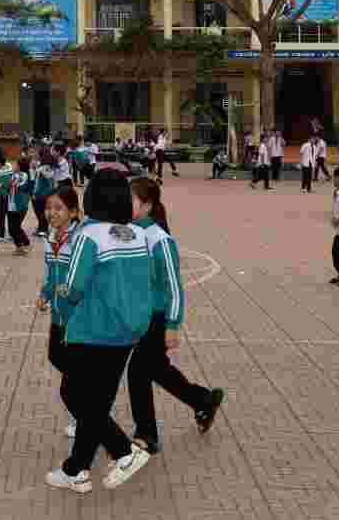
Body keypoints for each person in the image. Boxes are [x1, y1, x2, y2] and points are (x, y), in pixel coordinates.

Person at [47, 170, 163, 494]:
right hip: (129, 331)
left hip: (95, 329)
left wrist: (61, 294)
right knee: (96, 400)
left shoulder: (89, 235)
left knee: (76, 395)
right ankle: (76, 468)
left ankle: (125, 451)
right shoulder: (137, 234)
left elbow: (74, 286)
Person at [124, 178, 224, 452]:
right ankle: (203, 400)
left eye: (130, 199)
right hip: (136, 317)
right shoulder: (126, 233)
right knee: (157, 369)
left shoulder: (161, 240)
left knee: (138, 372)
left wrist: (173, 324)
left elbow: (174, 286)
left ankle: (147, 435)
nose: (124, 203)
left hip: (157, 318)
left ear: (147, 204)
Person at [35, 182, 84, 438]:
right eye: (48, 208)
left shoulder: (79, 239)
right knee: (56, 356)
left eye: (59, 208)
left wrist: (75, 292)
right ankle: (89, 406)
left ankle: (85, 416)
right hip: (58, 314)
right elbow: (51, 276)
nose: (52, 213)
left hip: (78, 316)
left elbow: (85, 278)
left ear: (74, 212)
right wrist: (45, 294)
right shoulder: (50, 238)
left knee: (73, 375)